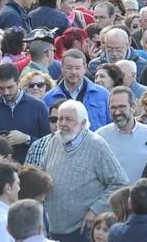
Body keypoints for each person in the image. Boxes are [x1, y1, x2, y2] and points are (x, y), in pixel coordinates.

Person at [41, 100, 128, 241]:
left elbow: (120, 183)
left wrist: (96, 209)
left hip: (84, 231)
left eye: (69, 119)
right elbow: (43, 174)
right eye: (60, 119)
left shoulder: (96, 145)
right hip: (55, 229)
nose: (62, 123)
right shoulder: (54, 141)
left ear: (82, 123)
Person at [0, 63, 50, 162]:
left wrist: (27, 139)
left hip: (29, 169)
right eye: (1, 88)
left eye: (10, 87)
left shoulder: (38, 107)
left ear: (19, 82)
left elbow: (49, 142)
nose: (6, 92)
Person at [96, 86, 147, 184]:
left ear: (133, 107)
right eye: (113, 108)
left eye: (122, 107)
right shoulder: (100, 137)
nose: (117, 112)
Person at [43, 49, 111, 131]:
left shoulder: (103, 94)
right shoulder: (49, 97)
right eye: (69, 68)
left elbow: (110, 125)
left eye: (77, 68)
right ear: (62, 68)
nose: (73, 72)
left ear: (85, 68)